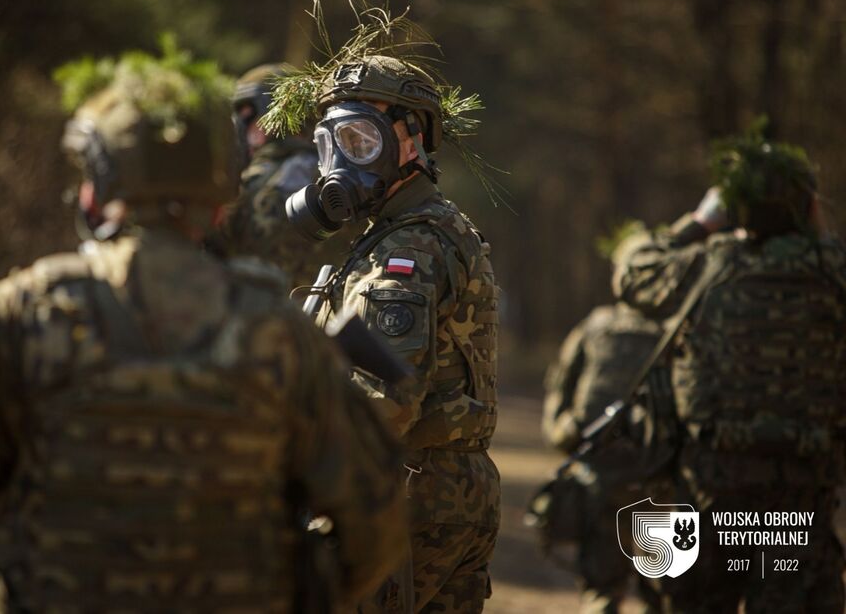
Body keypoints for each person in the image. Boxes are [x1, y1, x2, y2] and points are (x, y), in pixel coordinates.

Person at [0, 51, 407, 613]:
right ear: (219, 203)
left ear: (98, 190)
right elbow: (374, 517)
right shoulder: (283, 335)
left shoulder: (27, 307)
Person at [267, 52, 502, 613]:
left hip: (409, 495)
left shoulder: (405, 251)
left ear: (411, 140)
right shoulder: (425, 230)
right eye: (329, 146)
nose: (341, 164)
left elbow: (382, 405)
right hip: (447, 491)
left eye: (359, 140)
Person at [612, 127, 846, 613]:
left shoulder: (706, 265)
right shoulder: (833, 271)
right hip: (800, 495)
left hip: (711, 495)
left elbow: (633, 272)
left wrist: (699, 222)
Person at [542, 295, 664, 614]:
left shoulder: (596, 326)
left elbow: (560, 393)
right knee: (664, 592)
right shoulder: (678, 326)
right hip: (658, 476)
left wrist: (567, 439)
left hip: (598, 475)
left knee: (601, 591)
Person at [207, 63, 362, 292]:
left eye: (247, 117)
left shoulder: (258, 182)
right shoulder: (342, 175)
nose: (241, 128)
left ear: (273, 116)